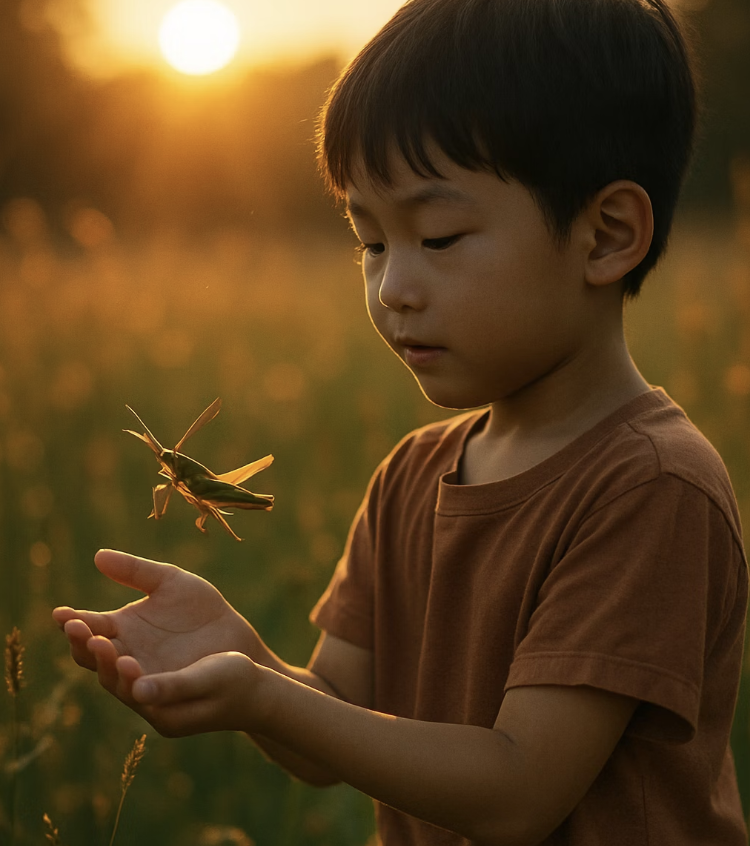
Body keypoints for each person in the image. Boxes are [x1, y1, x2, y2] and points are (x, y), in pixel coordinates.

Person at [53, 0, 748, 843]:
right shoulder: (409, 476)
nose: (393, 289)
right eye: (371, 242)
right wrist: (245, 662)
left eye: (440, 237)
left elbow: (518, 790)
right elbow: (333, 724)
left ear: (606, 236)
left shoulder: (650, 487)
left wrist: (266, 696)